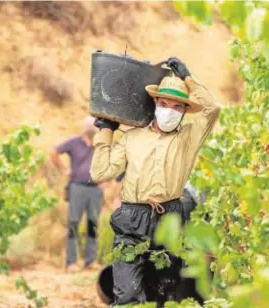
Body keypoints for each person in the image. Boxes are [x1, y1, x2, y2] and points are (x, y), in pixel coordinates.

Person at [90, 57, 221, 306]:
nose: (169, 111)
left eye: (177, 107)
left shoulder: (189, 138)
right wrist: (106, 130)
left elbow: (212, 109)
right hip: (132, 219)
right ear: (155, 103)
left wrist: (188, 79)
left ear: (184, 111)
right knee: (127, 294)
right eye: (164, 103)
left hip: (169, 220)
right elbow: (100, 173)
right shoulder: (132, 138)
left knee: (164, 292)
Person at [51, 116, 102, 273]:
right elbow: (54, 152)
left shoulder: (99, 144)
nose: (95, 130)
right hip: (77, 187)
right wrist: (64, 170)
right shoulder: (74, 142)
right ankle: (71, 262)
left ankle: (90, 261)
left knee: (93, 225)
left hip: (95, 188)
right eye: (93, 127)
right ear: (86, 129)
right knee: (73, 224)